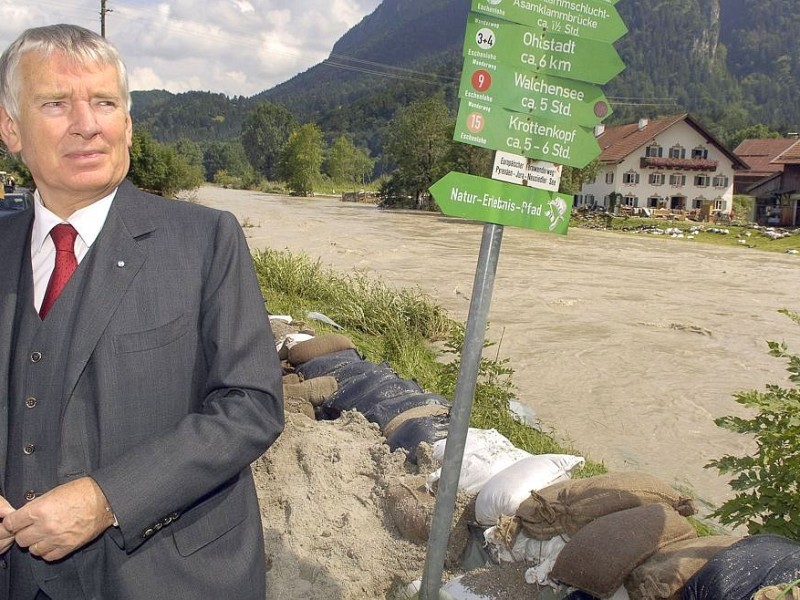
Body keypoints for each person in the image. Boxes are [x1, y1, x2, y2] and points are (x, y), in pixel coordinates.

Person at [0, 24, 284, 599]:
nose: (88, 124)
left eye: (105, 102)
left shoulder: (206, 241)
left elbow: (250, 404)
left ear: (127, 123)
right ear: (11, 130)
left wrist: (109, 499)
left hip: (164, 576)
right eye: (56, 103)